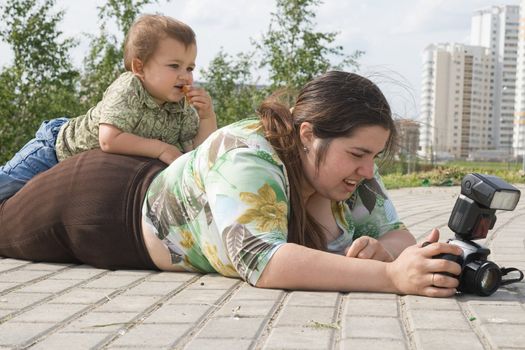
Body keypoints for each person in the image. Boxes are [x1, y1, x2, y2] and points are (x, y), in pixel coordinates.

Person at [0, 71, 462, 297]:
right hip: (99, 205)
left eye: (374, 156)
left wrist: (396, 253)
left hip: (146, 185)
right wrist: (389, 277)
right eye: (358, 155)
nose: (367, 170)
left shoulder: (351, 169)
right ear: (308, 135)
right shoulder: (248, 152)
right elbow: (262, 262)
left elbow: (394, 231)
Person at [0, 14, 217, 201]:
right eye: (174, 66)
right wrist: (162, 149)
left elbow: (198, 154)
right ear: (139, 67)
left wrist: (207, 117)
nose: (185, 76)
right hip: (57, 150)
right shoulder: (130, 86)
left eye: (190, 67)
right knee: (7, 186)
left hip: (91, 176)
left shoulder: (180, 106)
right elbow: (109, 138)